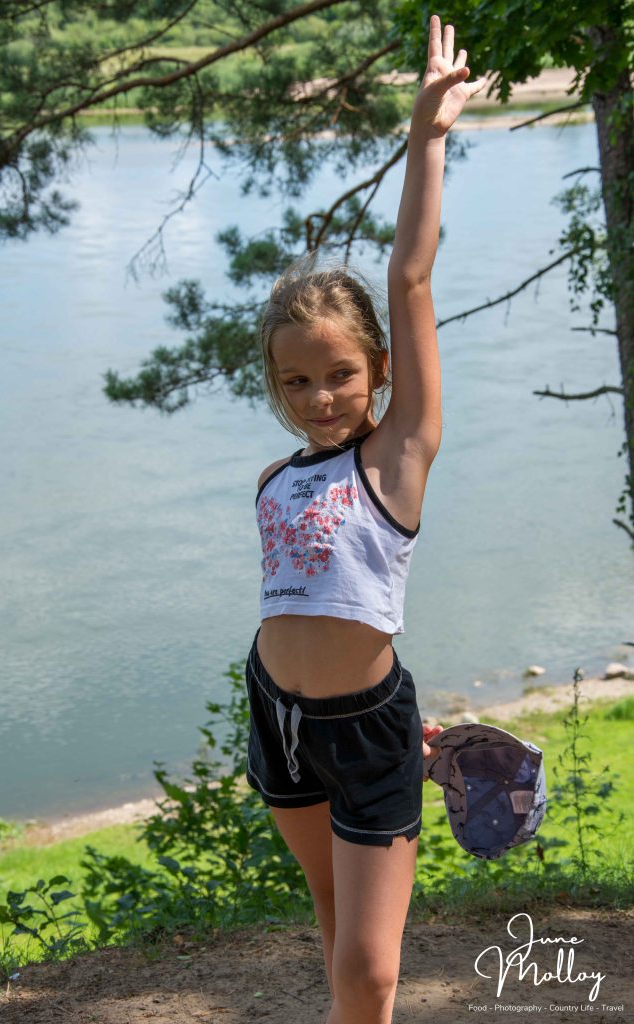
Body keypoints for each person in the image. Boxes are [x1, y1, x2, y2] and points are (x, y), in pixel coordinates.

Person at [245, 14, 489, 1024]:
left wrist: (425, 134)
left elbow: (409, 276)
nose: (319, 397)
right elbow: (316, 595)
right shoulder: (273, 475)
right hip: (275, 712)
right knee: (331, 922)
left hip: (367, 728)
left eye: (340, 374)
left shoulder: (398, 453)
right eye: (295, 380)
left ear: (378, 370)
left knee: (371, 972)